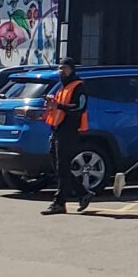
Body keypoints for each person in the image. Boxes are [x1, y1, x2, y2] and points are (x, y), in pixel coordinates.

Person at [42, 60, 94, 214]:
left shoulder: (79, 86)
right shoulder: (63, 86)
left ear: (71, 69)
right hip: (58, 130)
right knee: (59, 167)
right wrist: (52, 103)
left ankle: (59, 203)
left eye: (64, 68)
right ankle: (83, 193)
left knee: (62, 166)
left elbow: (79, 107)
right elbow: (59, 107)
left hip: (70, 130)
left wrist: (59, 106)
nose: (61, 71)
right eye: (59, 68)